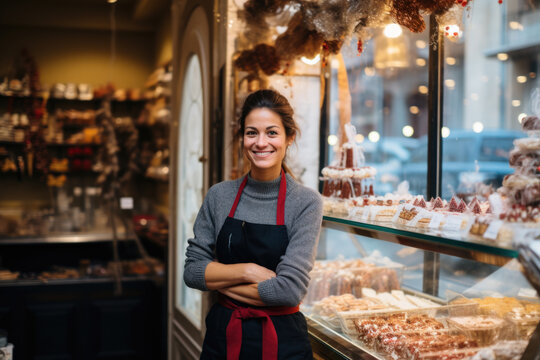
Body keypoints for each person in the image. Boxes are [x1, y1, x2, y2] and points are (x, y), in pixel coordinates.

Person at [184, 89, 323, 360]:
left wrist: (218, 281)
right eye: (251, 133)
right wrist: (248, 271)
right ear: (242, 137)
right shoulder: (219, 196)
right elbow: (192, 272)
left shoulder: (306, 202)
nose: (261, 143)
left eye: (272, 132)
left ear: (289, 137)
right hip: (223, 338)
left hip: (283, 343)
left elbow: (288, 290)